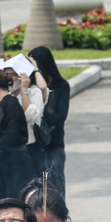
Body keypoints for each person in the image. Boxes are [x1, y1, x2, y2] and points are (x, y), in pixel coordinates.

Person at [0, 70, 35, 201]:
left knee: (14, 202)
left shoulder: (11, 103)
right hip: (6, 164)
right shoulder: (4, 104)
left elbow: (15, 136)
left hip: (15, 165)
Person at [28, 46, 71, 188]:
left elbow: (61, 115)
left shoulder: (61, 86)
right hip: (35, 144)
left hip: (54, 142)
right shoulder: (32, 87)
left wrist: (40, 121)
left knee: (55, 184)